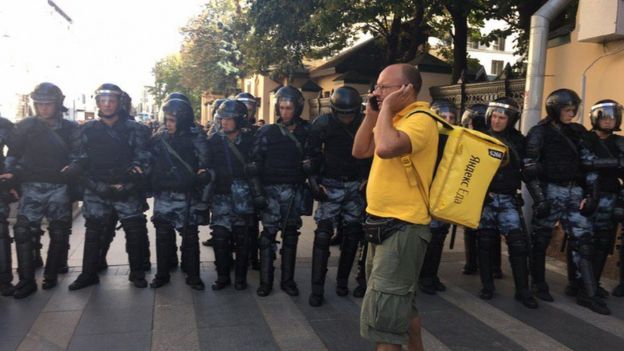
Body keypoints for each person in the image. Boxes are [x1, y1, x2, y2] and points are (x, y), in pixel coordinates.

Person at [353, 64, 438, 350]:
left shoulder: (420, 119)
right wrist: (373, 115)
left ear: (407, 90)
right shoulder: (393, 118)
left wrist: (386, 109)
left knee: (385, 321)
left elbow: (386, 148)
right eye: (376, 87)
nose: (376, 92)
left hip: (403, 227)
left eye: (383, 87)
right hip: (381, 224)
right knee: (401, 307)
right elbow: (360, 150)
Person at [524, 89, 609, 315]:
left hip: (575, 191)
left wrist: (591, 195)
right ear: (555, 109)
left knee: (584, 240)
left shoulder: (578, 132)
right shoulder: (539, 133)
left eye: (573, 110)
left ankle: (587, 291)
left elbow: (589, 164)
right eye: (567, 110)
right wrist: (540, 199)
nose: (571, 114)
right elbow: (530, 168)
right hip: (551, 191)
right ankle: (538, 283)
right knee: (540, 238)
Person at [68, 83, 151, 290]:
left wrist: (128, 185)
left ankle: (137, 272)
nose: (106, 105)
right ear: (97, 103)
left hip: (127, 188)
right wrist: (96, 186)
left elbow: (145, 161)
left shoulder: (137, 130)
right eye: (103, 101)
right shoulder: (86, 130)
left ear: (119, 102)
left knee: (135, 230)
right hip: (97, 189)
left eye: (111, 100)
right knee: (94, 231)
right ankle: (88, 274)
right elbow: (79, 162)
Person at [1, 82, 80, 298]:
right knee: (23, 231)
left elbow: (80, 154)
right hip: (32, 186)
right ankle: (26, 280)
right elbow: (13, 154)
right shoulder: (25, 126)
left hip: (59, 187)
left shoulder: (71, 128)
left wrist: (74, 166)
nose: (43, 108)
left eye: (48, 104)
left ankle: (51, 275)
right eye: (39, 104)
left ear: (57, 104)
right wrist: (11, 178)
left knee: (59, 231)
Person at [305, 86, 369, 307]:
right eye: (342, 113)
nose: (346, 118)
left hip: (355, 184)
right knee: (323, 234)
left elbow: (373, 153)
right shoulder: (322, 124)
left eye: (350, 113)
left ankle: (342, 281)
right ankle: (317, 288)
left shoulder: (365, 121)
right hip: (330, 184)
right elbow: (310, 156)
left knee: (353, 234)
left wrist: (367, 178)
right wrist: (313, 182)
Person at [476, 98, 537, 308]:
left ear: (510, 120)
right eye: (494, 116)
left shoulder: (519, 141)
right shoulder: (480, 138)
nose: (496, 121)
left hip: (509, 199)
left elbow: (528, 173)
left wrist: (540, 199)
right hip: (485, 198)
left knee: (518, 245)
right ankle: (487, 286)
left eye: (502, 118)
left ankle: (523, 290)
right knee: (484, 242)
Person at [251, 86, 310, 297]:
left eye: (289, 108)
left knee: (291, 235)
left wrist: (311, 166)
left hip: (294, 191)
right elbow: (254, 165)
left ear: (297, 108)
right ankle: (266, 281)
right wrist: (258, 193)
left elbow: (315, 158)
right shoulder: (267, 132)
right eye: (282, 107)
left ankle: (288, 281)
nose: (285, 112)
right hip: (271, 192)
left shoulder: (306, 132)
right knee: (267, 236)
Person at [148, 96, 209, 290]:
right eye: (166, 120)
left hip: (186, 196)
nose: (168, 124)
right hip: (164, 195)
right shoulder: (159, 137)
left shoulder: (196, 137)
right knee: (163, 236)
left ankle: (193, 275)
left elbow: (205, 164)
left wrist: (200, 176)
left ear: (182, 120)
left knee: (190, 237)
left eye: (172, 120)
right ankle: (162, 273)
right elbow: (149, 161)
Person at [206, 100, 258, 290]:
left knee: (242, 237)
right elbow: (206, 165)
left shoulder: (251, 140)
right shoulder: (213, 141)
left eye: (229, 119)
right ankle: (222, 276)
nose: (224, 122)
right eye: (222, 118)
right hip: (221, 196)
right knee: (220, 237)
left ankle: (241, 278)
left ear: (239, 120)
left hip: (243, 197)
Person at [578, 100, 624, 297]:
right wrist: (615, 163)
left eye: (612, 117)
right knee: (582, 241)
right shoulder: (584, 139)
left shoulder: (620, 142)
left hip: (611, 196)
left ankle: (594, 283)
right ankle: (578, 285)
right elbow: (584, 163)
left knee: (603, 242)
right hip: (586, 195)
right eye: (604, 116)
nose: (608, 120)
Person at [417, 99, 456, 295]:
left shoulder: (456, 139)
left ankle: (431, 275)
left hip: (444, 194)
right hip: (425, 193)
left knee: (439, 237)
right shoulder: (425, 137)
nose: (447, 121)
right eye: (442, 117)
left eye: (450, 118)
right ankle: (422, 276)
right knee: (425, 238)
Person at [459, 103, 488, 275]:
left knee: (479, 230)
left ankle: (477, 264)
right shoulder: (465, 138)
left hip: (480, 187)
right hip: (471, 186)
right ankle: (474, 263)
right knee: (474, 228)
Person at [0, 115, 14, 296]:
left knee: (1, 233)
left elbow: (16, 153)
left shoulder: (4, 125)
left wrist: (11, 180)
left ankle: (4, 279)